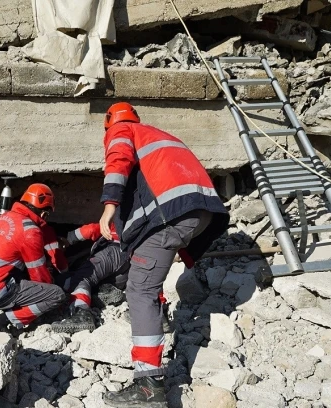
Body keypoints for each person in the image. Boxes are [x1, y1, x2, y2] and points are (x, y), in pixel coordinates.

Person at [98, 102, 230, 407]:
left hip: (171, 216)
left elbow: (117, 162)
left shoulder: (121, 130)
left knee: (139, 288)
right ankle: (161, 323)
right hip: (200, 214)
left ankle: (147, 386)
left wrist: (109, 208)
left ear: (109, 124)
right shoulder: (159, 135)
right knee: (149, 274)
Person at [0, 183, 67, 331]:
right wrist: (50, 285)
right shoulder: (30, 230)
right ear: (44, 214)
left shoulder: (2, 218)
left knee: (11, 267)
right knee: (56, 295)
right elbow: (39, 278)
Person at [51, 222, 128, 334]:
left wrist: (68, 238)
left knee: (82, 278)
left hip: (112, 251)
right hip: (126, 267)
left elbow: (92, 229)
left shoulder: (115, 222)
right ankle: (106, 291)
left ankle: (82, 313)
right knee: (87, 283)